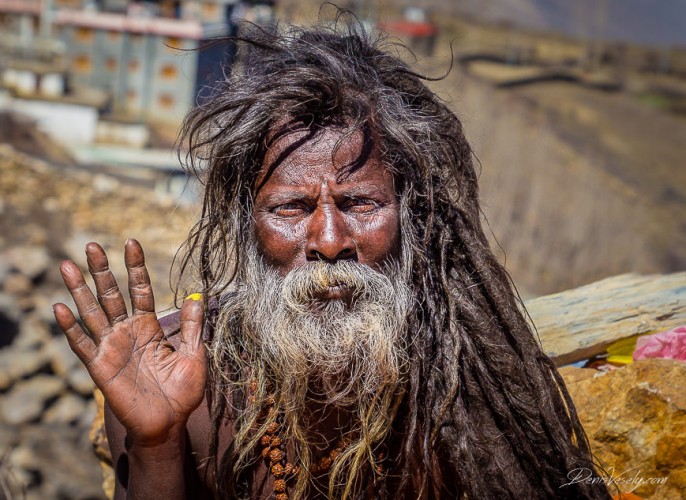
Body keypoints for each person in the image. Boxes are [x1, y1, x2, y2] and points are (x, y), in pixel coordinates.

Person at [53, 16, 611, 500]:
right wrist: (156, 445)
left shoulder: (457, 373)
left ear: (408, 213)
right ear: (248, 225)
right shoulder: (179, 381)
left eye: (360, 202)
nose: (328, 239)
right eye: (291, 207)